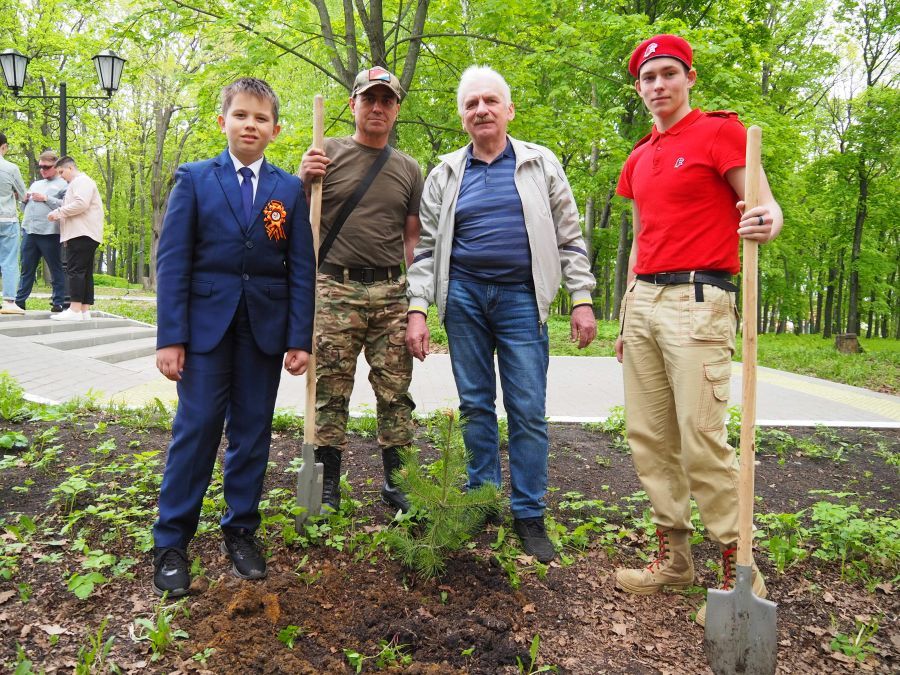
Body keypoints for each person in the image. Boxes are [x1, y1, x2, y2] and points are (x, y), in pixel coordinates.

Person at [612, 35, 783, 626]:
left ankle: (743, 567)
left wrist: (766, 221)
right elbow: (640, 239)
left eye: (667, 74)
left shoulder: (720, 134)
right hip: (645, 302)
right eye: (647, 78)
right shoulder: (637, 158)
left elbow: (763, 205)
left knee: (700, 436)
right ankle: (674, 559)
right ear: (639, 89)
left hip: (698, 297)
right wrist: (627, 308)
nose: (657, 85)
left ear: (688, 78)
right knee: (649, 435)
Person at [405, 66, 597, 563]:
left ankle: (529, 512)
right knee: (474, 404)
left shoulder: (541, 164)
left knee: (528, 409)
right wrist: (417, 308)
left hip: (521, 300)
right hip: (464, 300)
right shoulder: (446, 172)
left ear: (509, 111)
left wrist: (581, 298)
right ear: (462, 116)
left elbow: (569, 238)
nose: (481, 110)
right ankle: (483, 497)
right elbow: (425, 249)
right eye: (471, 104)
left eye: (491, 101)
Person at [151, 77, 316, 597]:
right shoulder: (196, 179)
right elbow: (173, 262)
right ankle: (172, 540)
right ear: (223, 121)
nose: (251, 125)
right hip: (204, 330)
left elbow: (300, 270)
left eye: (261, 118)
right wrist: (170, 338)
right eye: (241, 115)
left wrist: (300, 337)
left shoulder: (288, 190)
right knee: (197, 428)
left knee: (251, 433)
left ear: (275, 129)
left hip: (263, 332)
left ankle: (240, 530)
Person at [299, 66, 423, 515]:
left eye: (386, 100)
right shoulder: (325, 152)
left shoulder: (408, 168)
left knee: (395, 393)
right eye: (369, 99)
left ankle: (398, 485)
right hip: (334, 287)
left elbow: (414, 241)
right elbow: (297, 218)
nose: (377, 107)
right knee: (330, 390)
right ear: (352, 105)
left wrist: (418, 304)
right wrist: (302, 179)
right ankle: (326, 487)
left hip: (391, 292)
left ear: (395, 111)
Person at [47, 157, 104, 322]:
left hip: (81, 233)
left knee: (75, 271)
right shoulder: (83, 182)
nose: (61, 176)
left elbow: (81, 204)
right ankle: (84, 310)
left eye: (61, 172)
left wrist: (58, 212)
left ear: (70, 168)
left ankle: (75, 309)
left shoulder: (80, 182)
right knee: (84, 273)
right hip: (86, 233)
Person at [16, 150, 67, 312]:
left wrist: (46, 198)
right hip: (30, 232)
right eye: (40, 167)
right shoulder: (35, 184)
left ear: (56, 166)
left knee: (55, 268)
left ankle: (58, 302)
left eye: (46, 167)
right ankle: (20, 301)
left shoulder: (64, 184)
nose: (43, 170)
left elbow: (66, 207)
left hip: (50, 233)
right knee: (26, 268)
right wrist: (23, 201)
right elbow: (24, 208)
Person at [0, 132, 27, 315]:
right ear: (4, 147)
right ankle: (9, 302)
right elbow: (24, 195)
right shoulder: (11, 168)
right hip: (7, 219)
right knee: (9, 260)